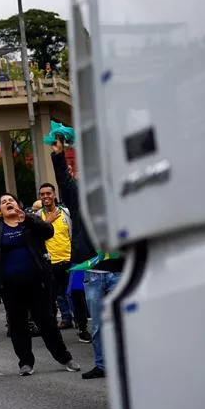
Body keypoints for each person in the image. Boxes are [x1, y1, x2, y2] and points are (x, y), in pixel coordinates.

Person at [0, 192, 80, 376]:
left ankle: (65, 358)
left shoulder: (30, 220)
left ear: (18, 204)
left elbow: (48, 232)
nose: (8, 203)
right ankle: (25, 362)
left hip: (36, 282)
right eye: (4, 202)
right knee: (18, 324)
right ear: (0, 210)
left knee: (46, 321)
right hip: (10, 286)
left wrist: (28, 219)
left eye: (11, 200)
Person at [51, 137, 121, 379]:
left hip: (121, 270)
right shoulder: (80, 199)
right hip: (94, 273)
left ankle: (131, 362)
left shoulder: (122, 197)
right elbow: (64, 180)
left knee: (127, 321)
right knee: (99, 325)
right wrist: (59, 155)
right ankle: (102, 365)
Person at [39, 181, 76, 329]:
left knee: (73, 292)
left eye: (48, 193)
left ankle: (80, 321)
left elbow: (72, 234)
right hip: (50, 261)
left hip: (69, 258)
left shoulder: (66, 213)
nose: (45, 196)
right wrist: (47, 222)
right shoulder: (37, 216)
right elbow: (36, 237)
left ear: (54, 195)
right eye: (42, 194)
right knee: (57, 294)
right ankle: (66, 318)